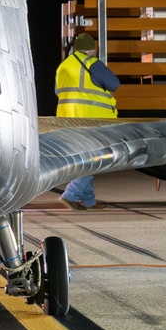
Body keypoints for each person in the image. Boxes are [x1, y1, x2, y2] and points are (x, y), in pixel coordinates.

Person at [54, 32, 120, 210]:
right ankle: (70, 195)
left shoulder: (63, 66)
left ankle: (89, 201)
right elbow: (114, 84)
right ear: (91, 49)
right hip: (90, 120)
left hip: (67, 119)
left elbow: (57, 91)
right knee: (95, 159)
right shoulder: (92, 63)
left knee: (85, 160)